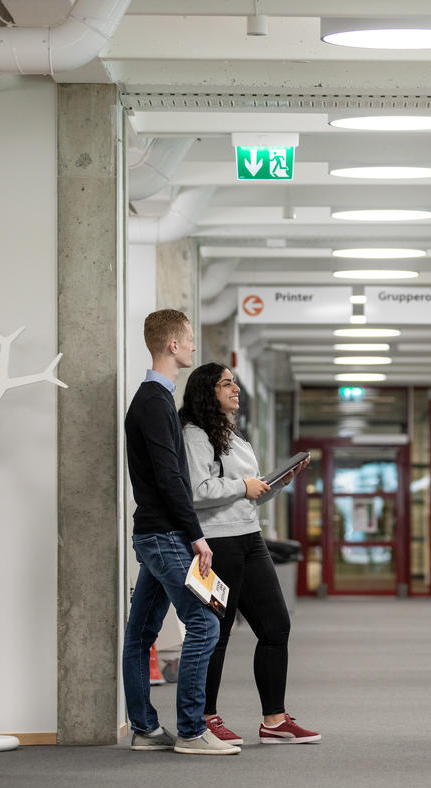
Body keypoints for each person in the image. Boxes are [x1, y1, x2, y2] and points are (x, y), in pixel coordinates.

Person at [180, 362, 320, 746]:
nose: (236, 389)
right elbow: (197, 491)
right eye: (227, 383)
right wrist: (245, 485)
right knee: (217, 633)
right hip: (216, 542)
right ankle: (204, 718)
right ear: (207, 391)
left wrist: (276, 484)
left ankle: (274, 720)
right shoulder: (195, 434)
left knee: (276, 627)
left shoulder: (233, 435)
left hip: (249, 537)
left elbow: (247, 492)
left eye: (235, 382)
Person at [122, 309, 238, 755]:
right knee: (205, 624)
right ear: (171, 344)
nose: (193, 345)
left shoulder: (156, 399)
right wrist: (196, 535)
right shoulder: (153, 401)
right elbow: (172, 479)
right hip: (164, 535)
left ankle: (145, 729)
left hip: (154, 533)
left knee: (141, 633)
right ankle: (191, 730)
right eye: (189, 339)